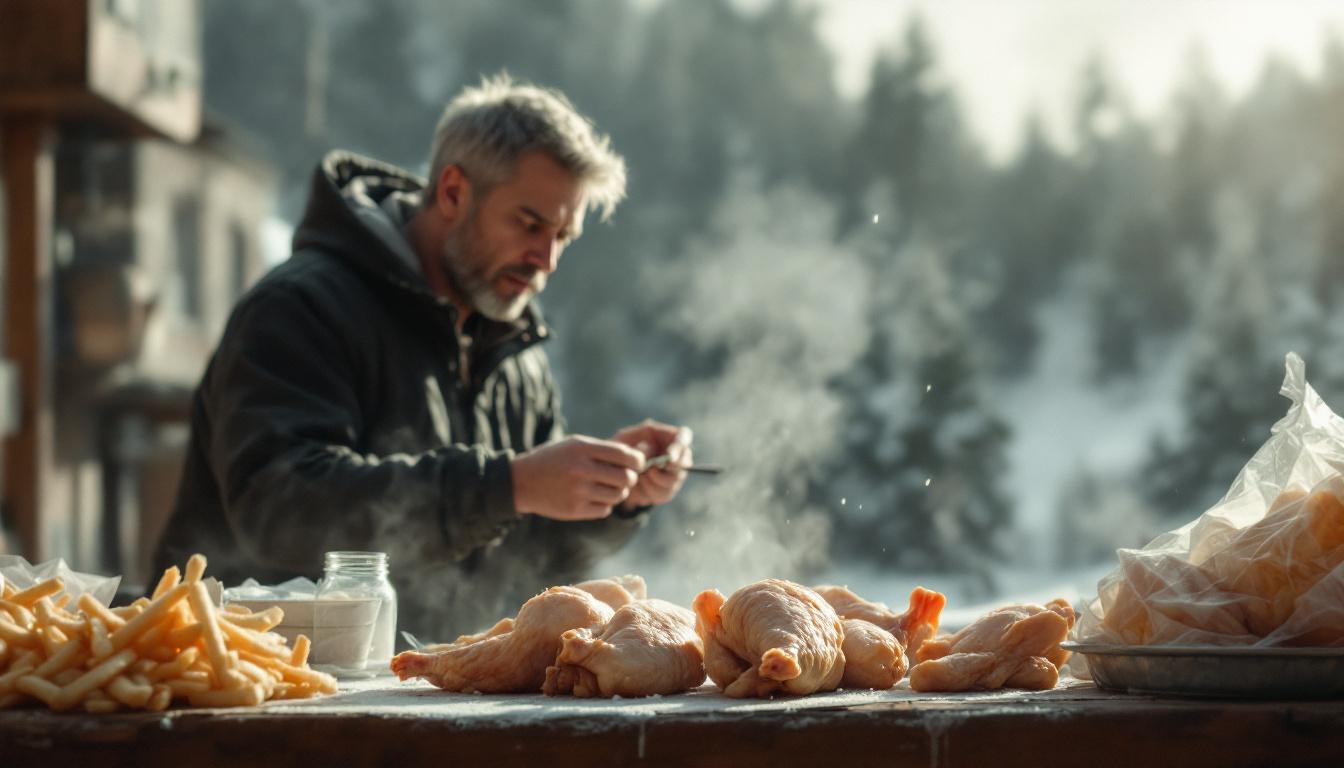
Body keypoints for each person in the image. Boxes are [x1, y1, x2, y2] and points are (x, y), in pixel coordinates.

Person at [152, 74, 692, 638]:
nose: (547, 259)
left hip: (436, 698)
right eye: (530, 224)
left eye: (564, 236)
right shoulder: (299, 309)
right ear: (454, 192)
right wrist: (507, 485)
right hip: (264, 693)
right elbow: (281, 509)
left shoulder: (517, 357)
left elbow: (534, 560)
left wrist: (614, 497)